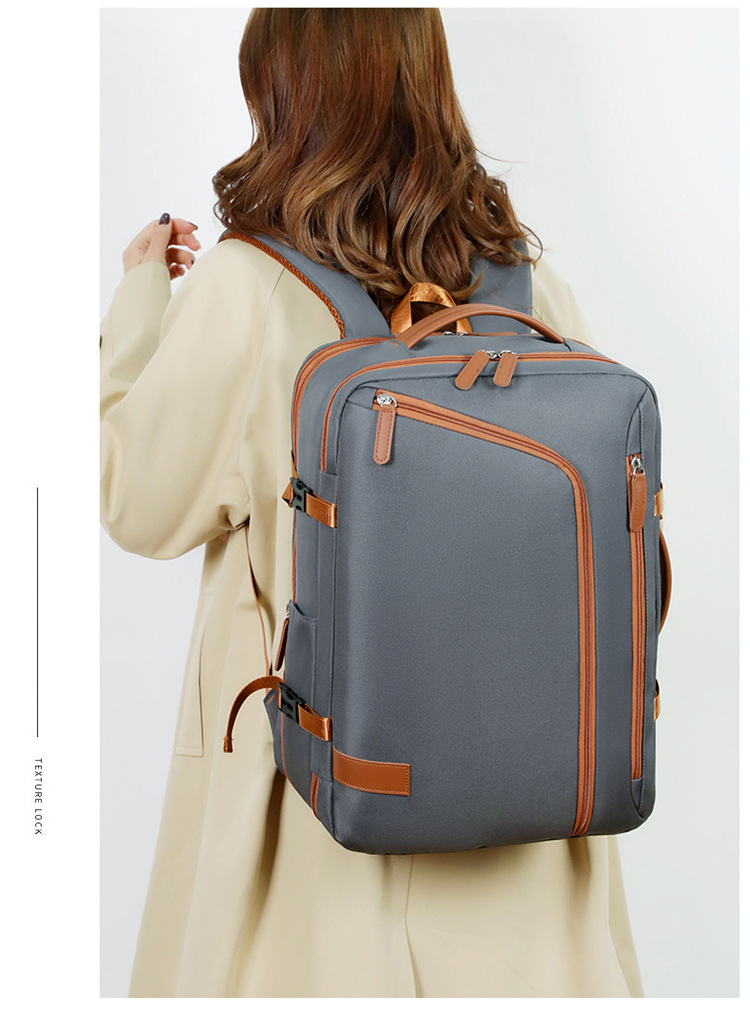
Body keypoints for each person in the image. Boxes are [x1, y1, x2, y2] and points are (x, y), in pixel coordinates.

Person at [100, 8, 644, 998]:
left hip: (318, 853)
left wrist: (138, 301)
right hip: (533, 852)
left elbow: (135, 499)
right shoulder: (531, 290)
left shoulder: (249, 287)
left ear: (285, 99)